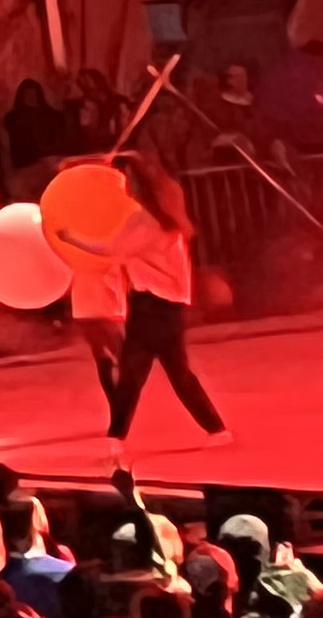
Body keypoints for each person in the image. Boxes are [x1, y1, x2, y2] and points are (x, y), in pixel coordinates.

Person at [74, 148, 224, 449]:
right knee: (174, 373)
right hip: (169, 305)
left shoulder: (144, 223)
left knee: (134, 374)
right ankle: (216, 429)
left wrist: (69, 238)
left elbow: (109, 250)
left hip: (150, 304)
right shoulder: (169, 218)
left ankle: (116, 438)